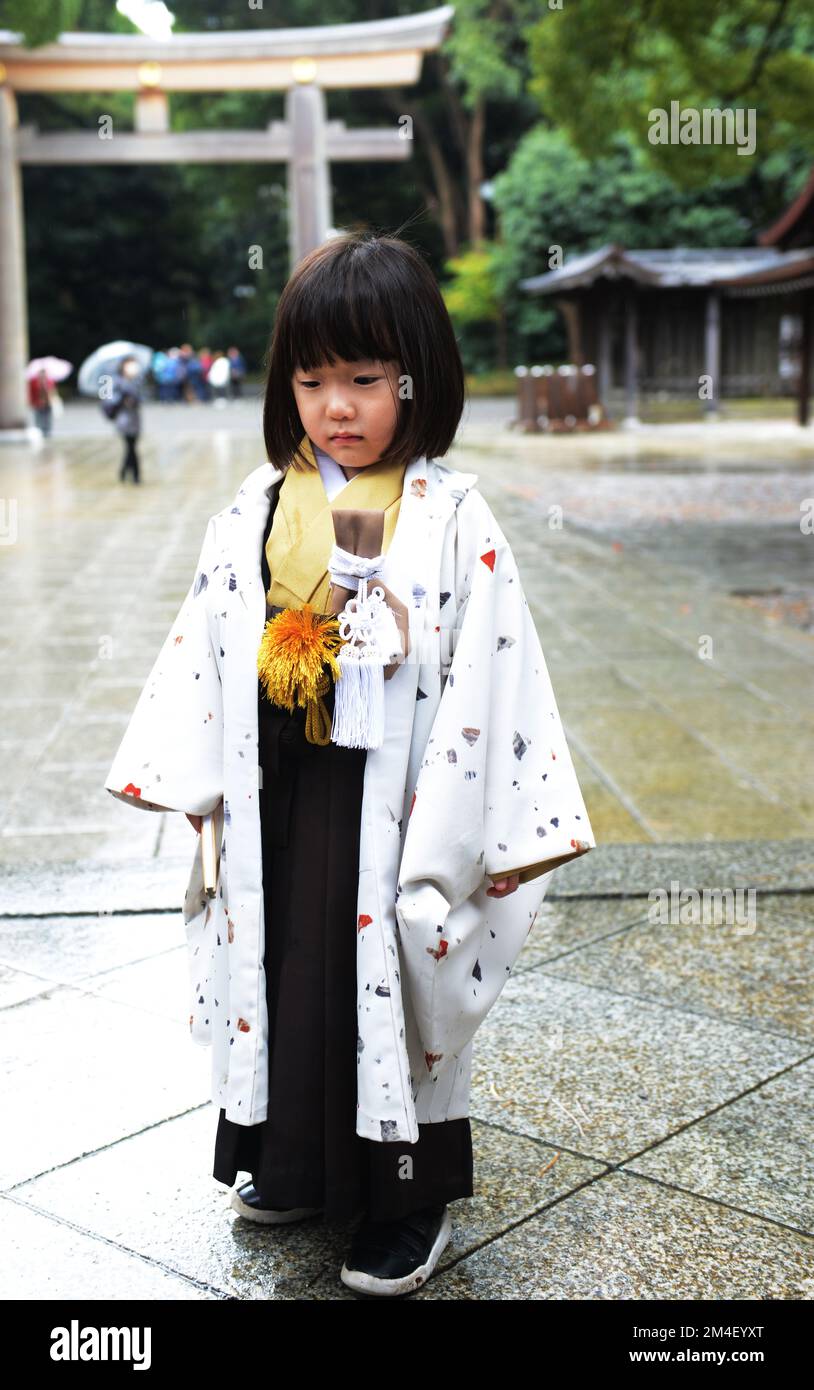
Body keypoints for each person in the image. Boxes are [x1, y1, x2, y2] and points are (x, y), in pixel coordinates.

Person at [102, 231, 596, 1298]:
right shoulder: (255, 507)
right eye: (312, 378)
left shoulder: (452, 515)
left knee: (385, 976)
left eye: (365, 379)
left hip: (404, 790)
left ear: (416, 377)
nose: (336, 406)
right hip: (279, 779)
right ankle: (285, 1159)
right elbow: (208, 641)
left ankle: (403, 1196)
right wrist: (196, 788)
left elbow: (495, 674)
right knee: (285, 971)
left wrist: (489, 830)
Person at [109, 356, 143, 484]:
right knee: (131, 447)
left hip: (134, 418)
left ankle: (124, 470)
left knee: (131, 446)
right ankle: (136, 475)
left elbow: (141, 398)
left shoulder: (137, 381)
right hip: (123, 419)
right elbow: (108, 399)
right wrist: (122, 399)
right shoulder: (116, 381)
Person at [28, 369, 55, 437]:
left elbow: (52, 391)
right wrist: (31, 402)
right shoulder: (34, 382)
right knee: (38, 418)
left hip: (48, 403)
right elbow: (31, 392)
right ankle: (39, 431)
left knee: (47, 418)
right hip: (38, 403)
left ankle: (47, 431)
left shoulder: (49, 381)